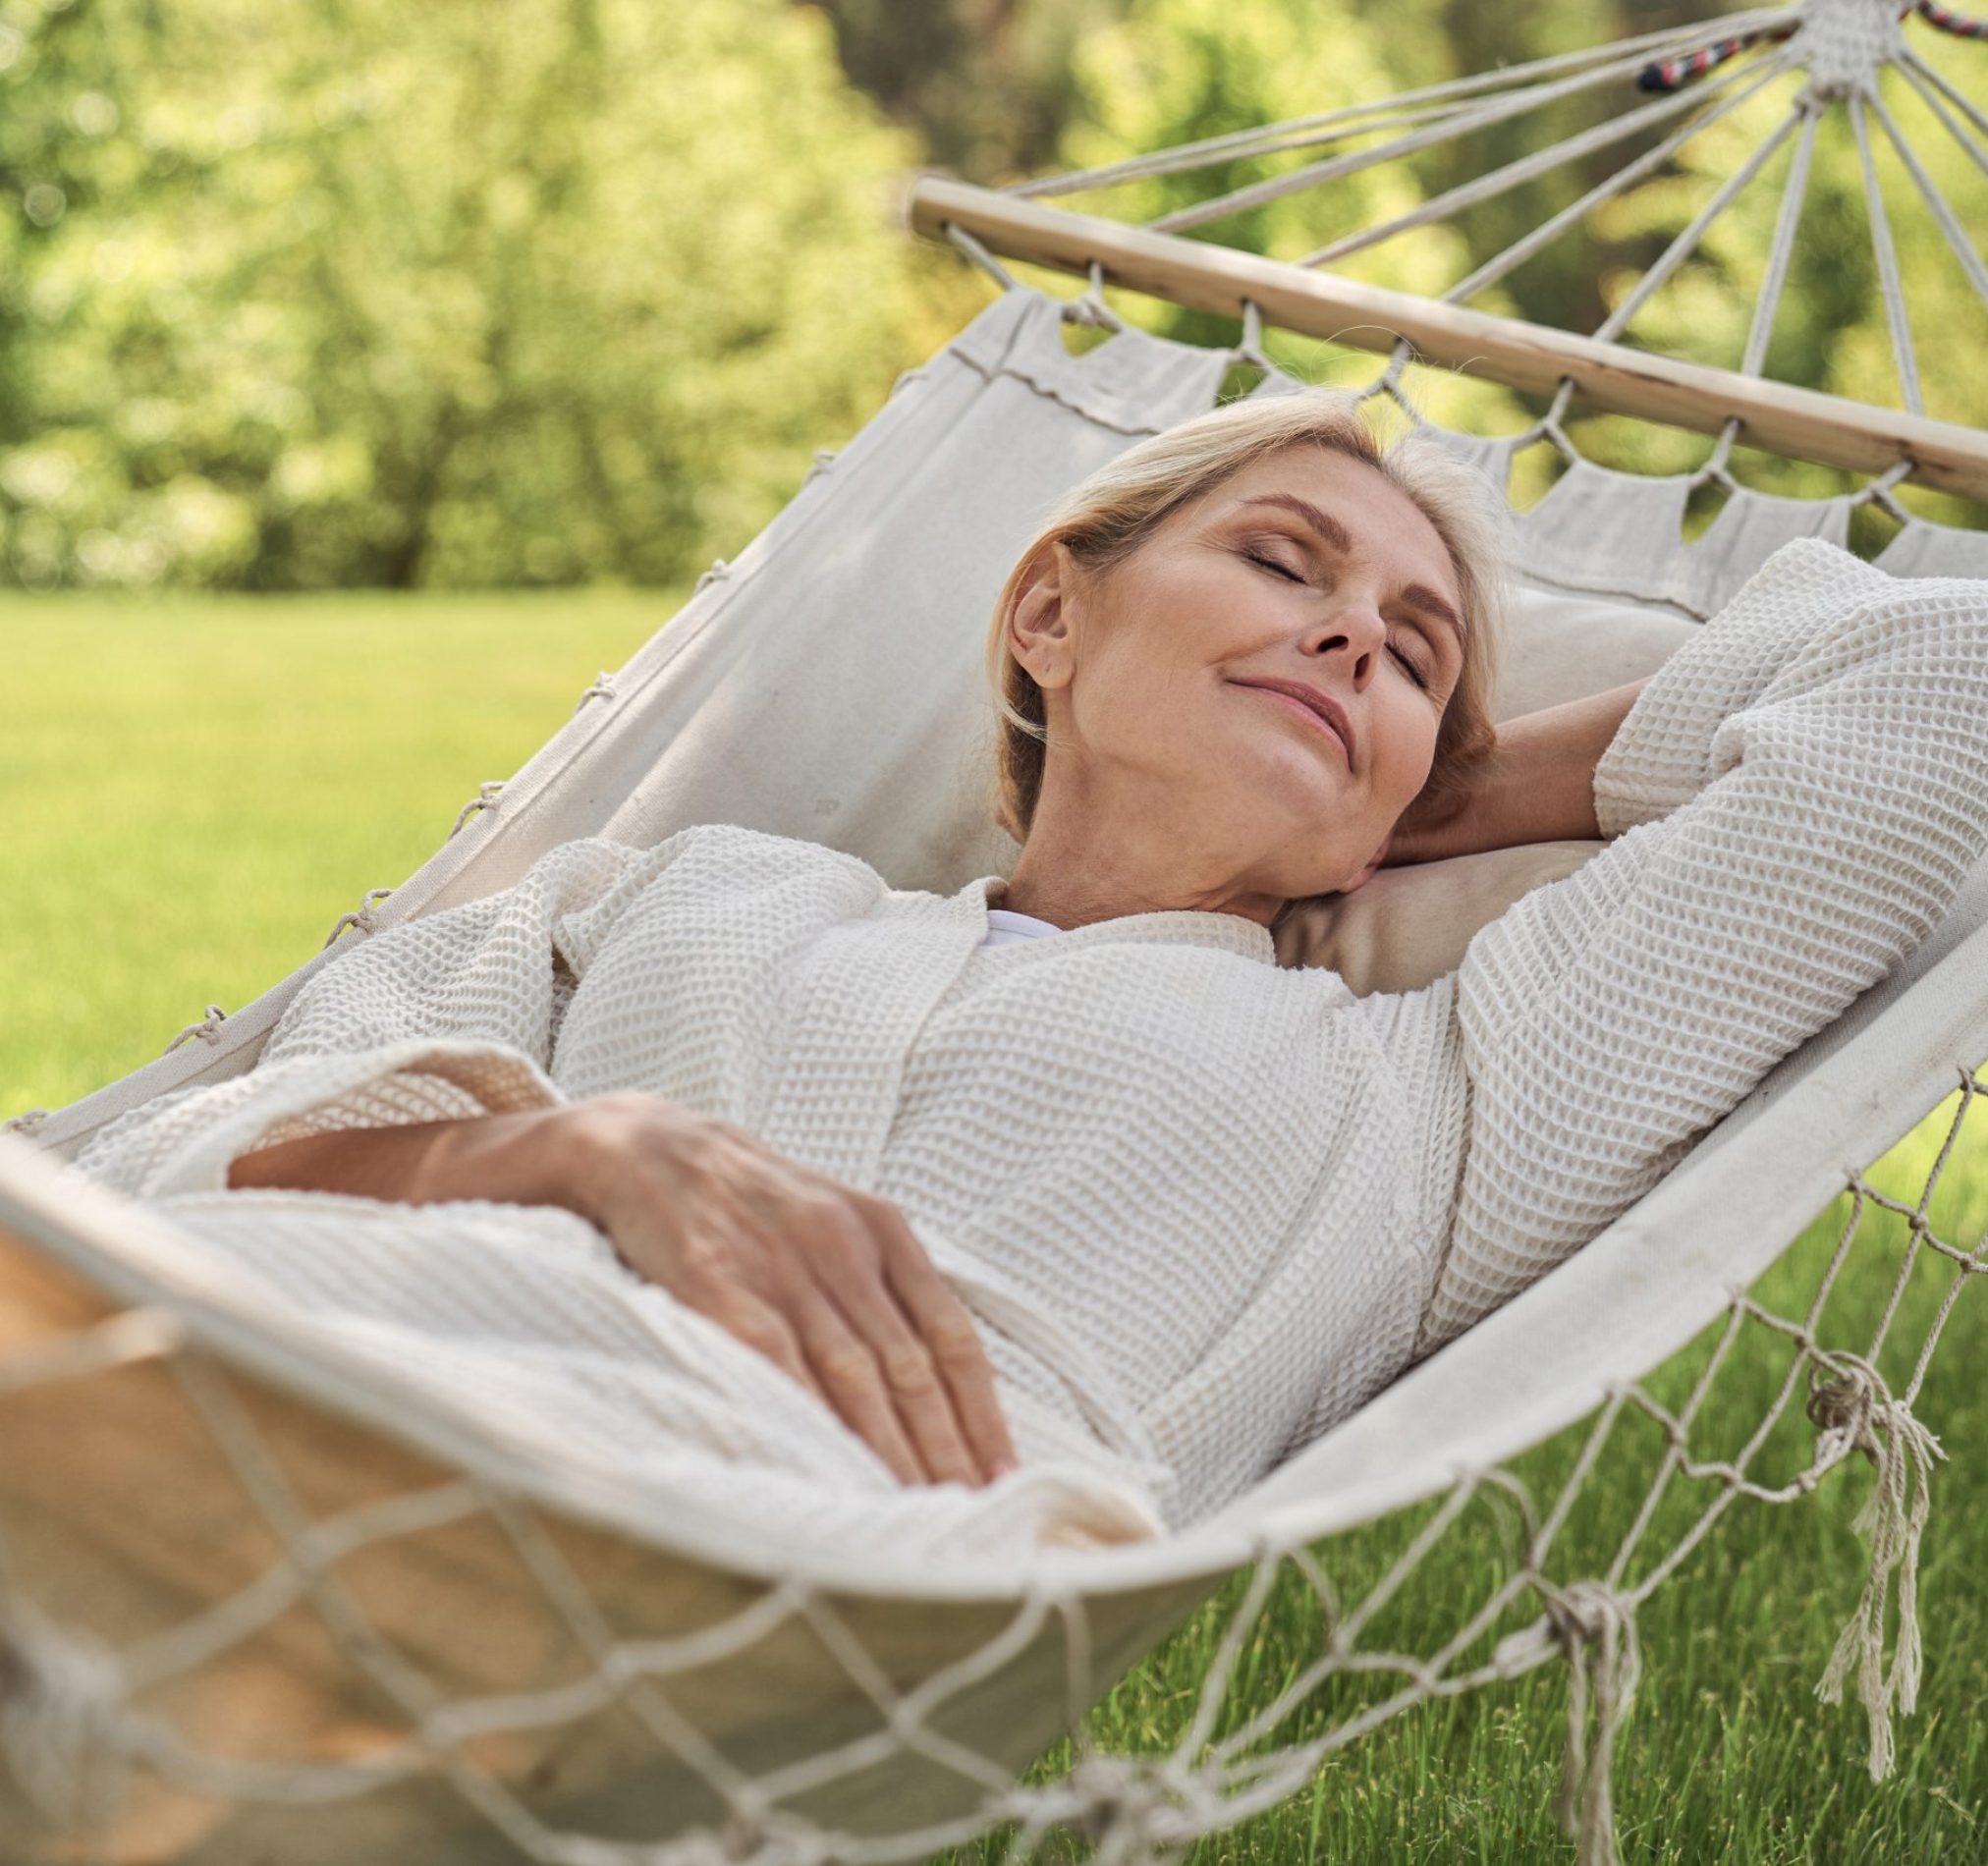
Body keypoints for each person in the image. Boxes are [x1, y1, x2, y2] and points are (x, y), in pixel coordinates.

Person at [76, 392, 1988, 1561]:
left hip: (771, 1530)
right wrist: (582, 1151)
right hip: (304, 1317)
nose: (1349, 635)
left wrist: (1444, 782)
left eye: (1412, 650)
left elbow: (1949, 685)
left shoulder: (1440, 1092)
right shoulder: (669, 884)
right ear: (1050, 613)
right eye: (1281, 560)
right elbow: (184, 1162)